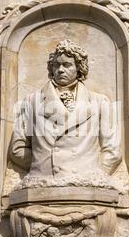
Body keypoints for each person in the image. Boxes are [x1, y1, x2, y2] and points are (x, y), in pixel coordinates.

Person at [10, 39, 122, 188]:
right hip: (43, 182)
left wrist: (96, 175)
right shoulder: (32, 101)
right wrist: (45, 164)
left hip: (87, 183)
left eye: (67, 65)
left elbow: (112, 150)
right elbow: (17, 149)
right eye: (56, 65)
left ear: (79, 68)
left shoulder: (100, 102)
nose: (60, 70)